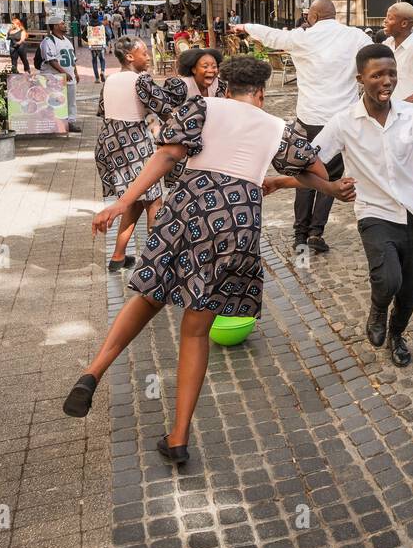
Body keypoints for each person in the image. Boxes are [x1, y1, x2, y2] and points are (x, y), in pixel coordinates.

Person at [67, 56, 342, 463]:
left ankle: (94, 371)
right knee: (196, 332)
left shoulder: (202, 107)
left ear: (225, 87)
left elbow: (167, 156)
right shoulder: (278, 128)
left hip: (189, 210)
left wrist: (121, 202)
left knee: (147, 297)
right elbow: (314, 171)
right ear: (261, 92)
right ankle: (178, 439)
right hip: (236, 224)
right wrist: (332, 188)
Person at [311, 44, 413, 366]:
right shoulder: (344, 121)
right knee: (389, 279)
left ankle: (397, 335)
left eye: (391, 74)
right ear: (361, 78)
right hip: (373, 212)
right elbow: (309, 160)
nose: (386, 81)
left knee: (411, 286)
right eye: (377, 75)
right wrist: (330, 187)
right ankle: (378, 310)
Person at [234, 0, 372, 254]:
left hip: (310, 117)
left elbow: (272, 36)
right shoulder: (355, 37)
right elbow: (376, 54)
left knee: (306, 173)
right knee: (330, 176)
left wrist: (246, 27)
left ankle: (300, 234)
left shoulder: (302, 37)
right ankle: (316, 232)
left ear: (314, 16)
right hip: (342, 120)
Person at [95, 35, 177, 270]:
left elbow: (104, 110)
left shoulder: (110, 79)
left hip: (110, 142)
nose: (148, 56)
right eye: (144, 53)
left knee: (134, 201)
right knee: (153, 200)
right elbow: (164, 107)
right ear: (130, 56)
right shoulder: (141, 80)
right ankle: (156, 262)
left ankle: (118, 256)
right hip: (134, 144)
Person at [40, 14, 80, 132]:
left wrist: (75, 72)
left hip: (69, 76)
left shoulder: (67, 40)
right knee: (54, 100)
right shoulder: (48, 41)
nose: (65, 25)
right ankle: (54, 123)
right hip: (55, 77)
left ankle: (70, 122)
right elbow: (51, 60)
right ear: (56, 26)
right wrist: (63, 73)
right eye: (62, 24)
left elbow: (72, 58)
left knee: (71, 100)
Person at [88, 14, 107, 83]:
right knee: (102, 59)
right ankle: (102, 71)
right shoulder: (101, 25)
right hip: (100, 45)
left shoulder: (89, 25)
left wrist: (88, 40)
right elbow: (106, 34)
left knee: (94, 61)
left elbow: (84, 34)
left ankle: (97, 78)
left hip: (92, 45)